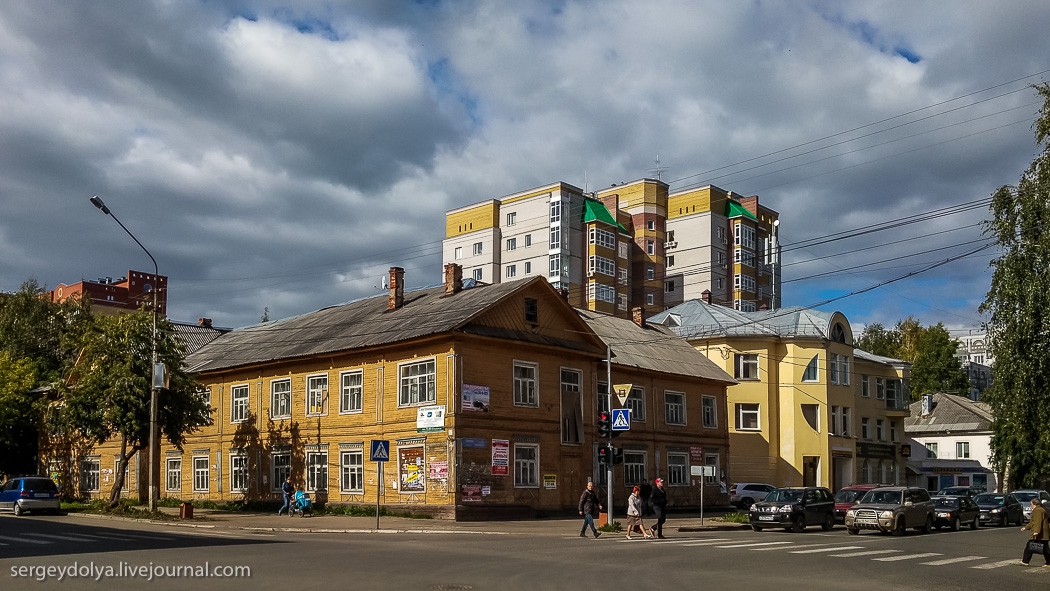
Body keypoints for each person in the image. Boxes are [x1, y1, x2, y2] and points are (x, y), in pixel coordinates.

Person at [1020, 498, 1050, 566]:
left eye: (1031, 504)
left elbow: (1038, 521)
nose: (1030, 506)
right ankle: (1049, 562)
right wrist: (1025, 527)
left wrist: (1036, 531)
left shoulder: (1038, 510)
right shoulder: (1039, 510)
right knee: (1045, 548)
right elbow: (1032, 522)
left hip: (1040, 533)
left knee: (1029, 546)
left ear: (1034, 504)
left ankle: (1025, 561)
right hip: (1043, 533)